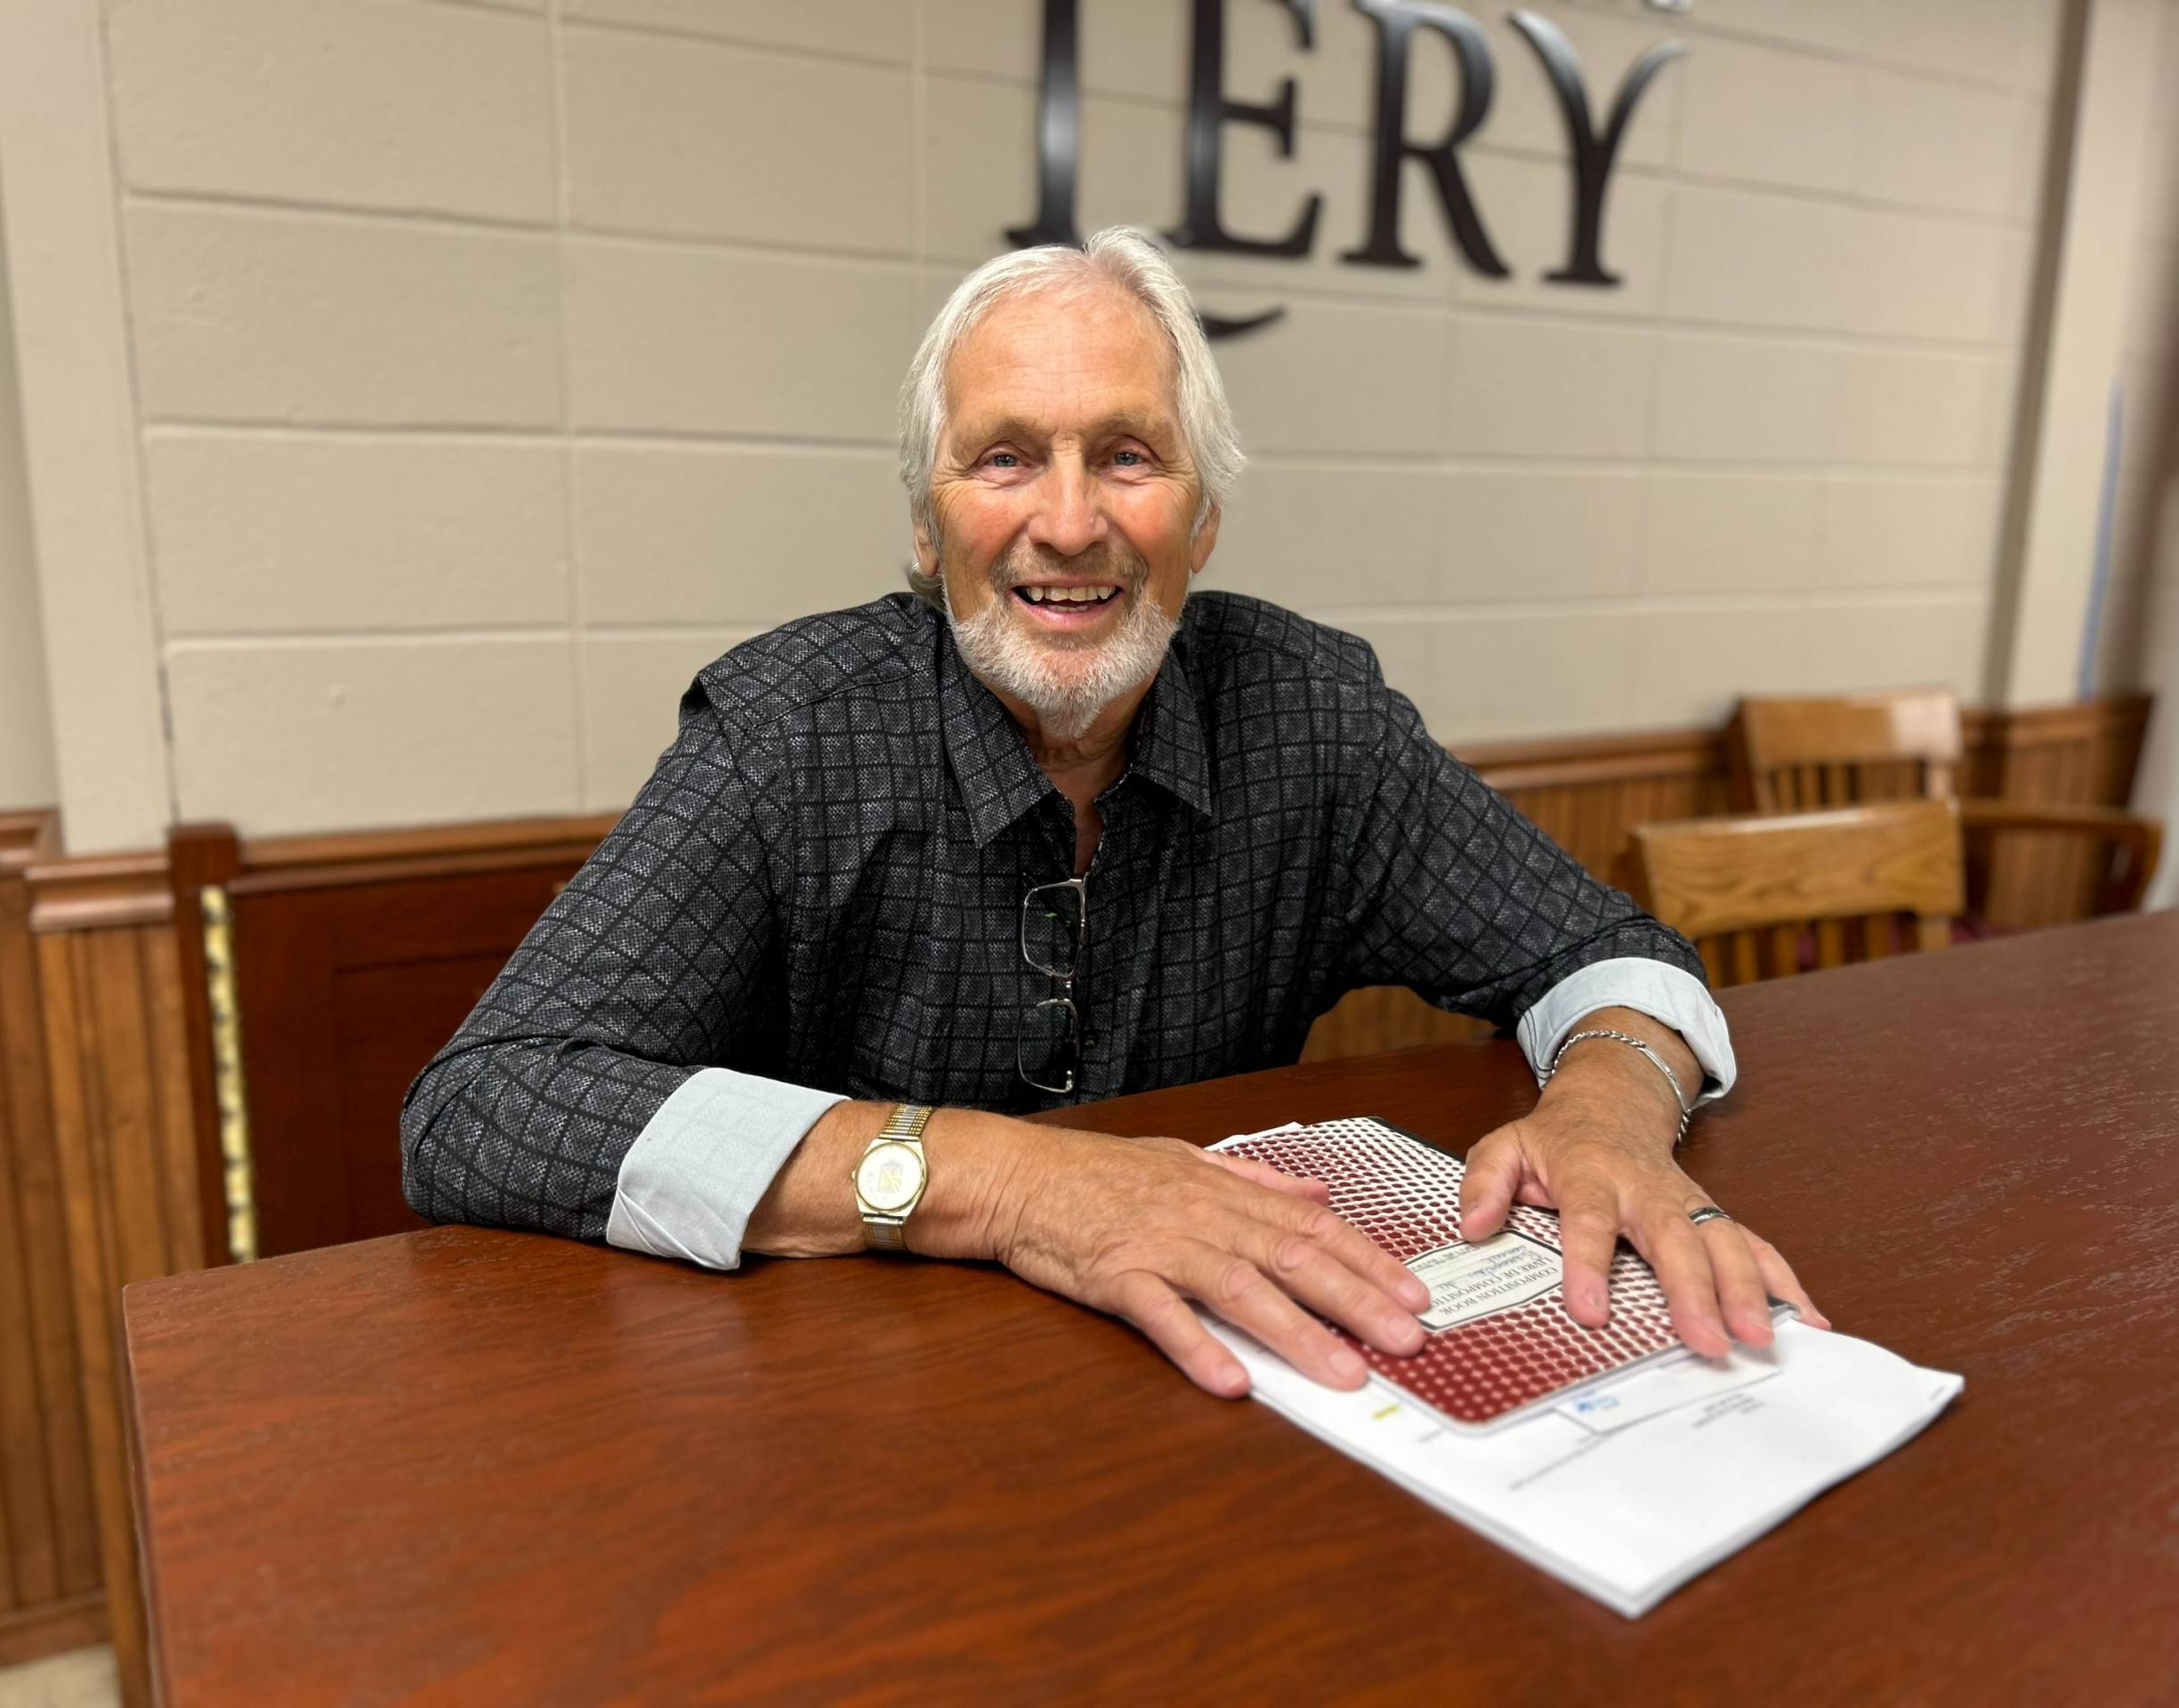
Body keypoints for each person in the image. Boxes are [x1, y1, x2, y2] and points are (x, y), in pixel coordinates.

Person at [401, 228, 1825, 1399]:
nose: (1070, 522)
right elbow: (485, 1103)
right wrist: (1013, 1185)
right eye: (1005, 456)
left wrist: (1613, 1104)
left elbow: (1602, 952)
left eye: (1128, 457)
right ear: (925, 523)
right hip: (844, 1416)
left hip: (1221, 1404)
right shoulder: (787, 729)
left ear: (1201, 521)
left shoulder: (1311, 712)